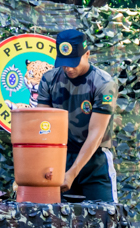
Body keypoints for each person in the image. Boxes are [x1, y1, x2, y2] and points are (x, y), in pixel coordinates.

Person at [36, 29, 119, 203]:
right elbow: (43, 126)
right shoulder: (49, 80)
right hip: (59, 159)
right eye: (64, 62)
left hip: (95, 163)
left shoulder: (104, 84)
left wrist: (72, 173)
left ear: (87, 54)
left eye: (74, 62)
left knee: (105, 221)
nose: (69, 68)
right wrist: (45, 166)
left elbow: (96, 134)